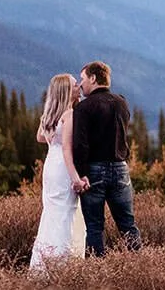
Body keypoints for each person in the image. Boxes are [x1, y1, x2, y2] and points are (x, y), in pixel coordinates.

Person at [72, 59, 142, 255]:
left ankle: (97, 270)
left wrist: (81, 174)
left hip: (94, 170)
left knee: (94, 227)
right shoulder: (121, 102)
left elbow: (80, 145)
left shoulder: (84, 108)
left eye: (83, 79)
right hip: (120, 168)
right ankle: (140, 265)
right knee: (127, 224)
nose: (81, 84)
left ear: (93, 78)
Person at [28, 73, 87, 269]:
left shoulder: (49, 114)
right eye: (75, 84)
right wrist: (76, 178)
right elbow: (67, 149)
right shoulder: (69, 115)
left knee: (52, 212)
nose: (79, 86)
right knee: (66, 212)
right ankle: (62, 263)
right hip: (63, 167)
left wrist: (54, 138)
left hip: (50, 165)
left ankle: (44, 261)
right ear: (67, 91)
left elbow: (39, 137)